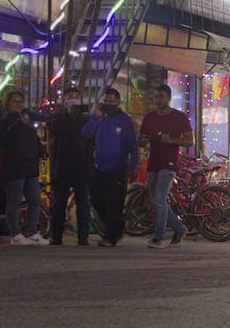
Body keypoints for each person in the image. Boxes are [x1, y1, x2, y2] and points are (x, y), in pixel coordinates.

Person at [82, 88, 138, 247]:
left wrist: (133, 166)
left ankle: (110, 236)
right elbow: (86, 134)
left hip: (118, 167)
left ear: (118, 102)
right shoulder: (100, 120)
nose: (107, 104)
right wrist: (95, 116)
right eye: (105, 102)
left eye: (111, 102)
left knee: (114, 203)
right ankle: (118, 224)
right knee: (96, 199)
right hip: (99, 167)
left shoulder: (127, 121)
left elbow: (133, 145)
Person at [139, 85, 193, 249]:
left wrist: (170, 141)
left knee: (160, 197)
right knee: (155, 199)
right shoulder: (150, 117)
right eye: (156, 97)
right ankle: (178, 227)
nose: (158, 100)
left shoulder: (179, 117)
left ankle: (159, 237)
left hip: (169, 163)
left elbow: (190, 141)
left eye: (162, 97)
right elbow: (141, 139)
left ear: (169, 98)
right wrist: (145, 140)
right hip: (153, 161)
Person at [0, 91, 49, 245]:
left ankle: (33, 233)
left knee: (35, 200)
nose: (19, 104)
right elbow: (4, 139)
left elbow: (34, 138)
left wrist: (41, 150)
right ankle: (15, 234)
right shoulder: (5, 121)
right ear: (8, 104)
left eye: (21, 101)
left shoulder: (28, 121)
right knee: (14, 201)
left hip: (30, 167)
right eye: (15, 101)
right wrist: (20, 123)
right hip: (14, 167)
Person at [48, 89, 94, 245]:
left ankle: (83, 236)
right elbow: (54, 127)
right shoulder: (57, 117)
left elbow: (93, 137)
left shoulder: (86, 119)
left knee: (83, 204)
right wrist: (68, 115)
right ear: (64, 102)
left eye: (77, 98)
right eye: (70, 98)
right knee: (60, 204)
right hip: (62, 168)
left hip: (82, 168)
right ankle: (56, 235)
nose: (74, 101)